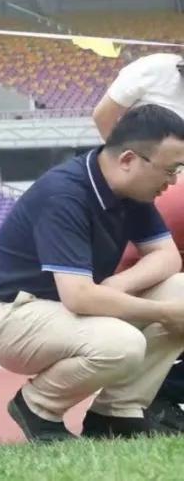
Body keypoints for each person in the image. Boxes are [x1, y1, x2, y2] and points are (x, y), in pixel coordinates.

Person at [0, 104, 184, 443]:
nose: (174, 180)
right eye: (170, 169)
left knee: (181, 292)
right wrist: (164, 313)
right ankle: (38, 406)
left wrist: (116, 285)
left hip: (70, 308)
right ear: (129, 159)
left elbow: (167, 258)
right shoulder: (65, 193)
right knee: (125, 342)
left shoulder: (131, 191)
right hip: (13, 314)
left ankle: (116, 413)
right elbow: (79, 296)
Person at [95, 52, 184, 433]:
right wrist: (136, 172)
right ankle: (152, 396)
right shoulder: (157, 71)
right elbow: (104, 118)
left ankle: (152, 396)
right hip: (133, 276)